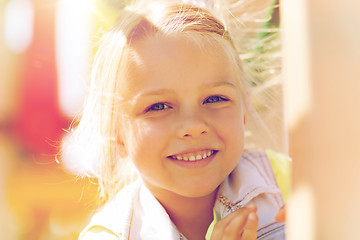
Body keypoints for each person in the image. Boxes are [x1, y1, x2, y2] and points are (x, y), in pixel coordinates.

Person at [64, 0, 289, 239]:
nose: (193, 126)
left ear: (244, 108)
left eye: (214, 99)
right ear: (116, 132)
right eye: (159, 106)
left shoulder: (286, 181)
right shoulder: (113, 234)